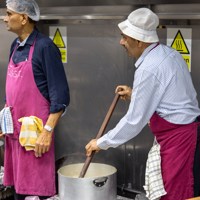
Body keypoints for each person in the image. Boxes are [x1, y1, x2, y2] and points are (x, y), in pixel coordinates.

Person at [85, 7, 200, 200]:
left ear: (138, 41)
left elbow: (134, 121)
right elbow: (168, 96)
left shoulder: (148, 68)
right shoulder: (168, 53)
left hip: (177, 139)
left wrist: (101, 143)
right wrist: (134, 94)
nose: (121, 42)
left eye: (125, 37)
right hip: (182, 132)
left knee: (175, 194)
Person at [1, 0, 70, 199]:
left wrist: (47, 132)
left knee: (34, 192)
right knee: (19, 191)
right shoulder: (16, 45)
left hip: (35, 139)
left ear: (23, 18)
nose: (5, 18)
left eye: (9, 13)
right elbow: (13, 91)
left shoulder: (45, 47)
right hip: (15, 134)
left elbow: (61, 96)